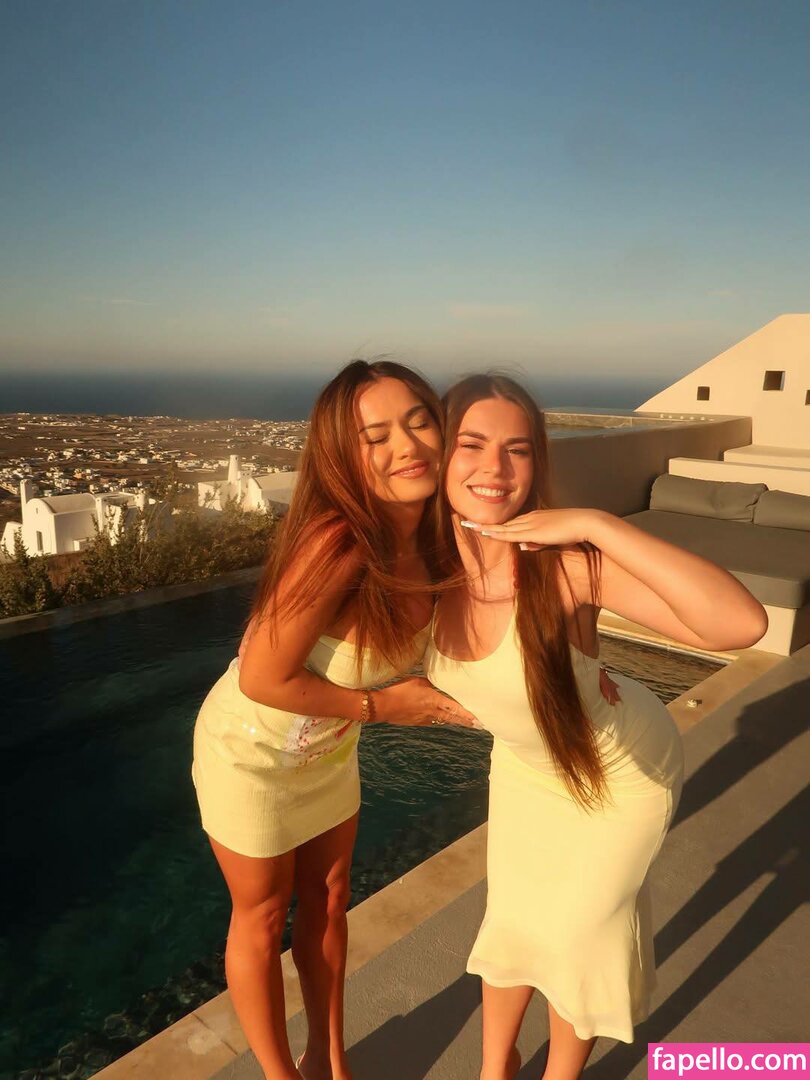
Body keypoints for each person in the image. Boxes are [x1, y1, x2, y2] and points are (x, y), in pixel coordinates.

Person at [424, 374, 768, 1080]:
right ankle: (494, 1069)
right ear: (438, 456)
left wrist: (597, 526)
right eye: (472, 444)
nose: (495, 467)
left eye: (519, 449)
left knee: (578, 939)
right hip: (526, 768)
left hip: (619, 770)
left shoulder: (564, 571)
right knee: (514, 919)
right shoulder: (420, 574)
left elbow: (739, 624)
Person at [192, 360, 476, 1080]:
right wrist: (383, 707)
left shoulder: (439, 539)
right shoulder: (339, 543)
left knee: (329, 900)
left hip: (327, 746)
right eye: (375, 437)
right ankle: (281, 1075)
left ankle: (328, 1060)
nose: (406, 445)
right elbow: (261, 677)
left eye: (418, 421)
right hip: (251, 751)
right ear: (343, 459)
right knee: (263, 918)